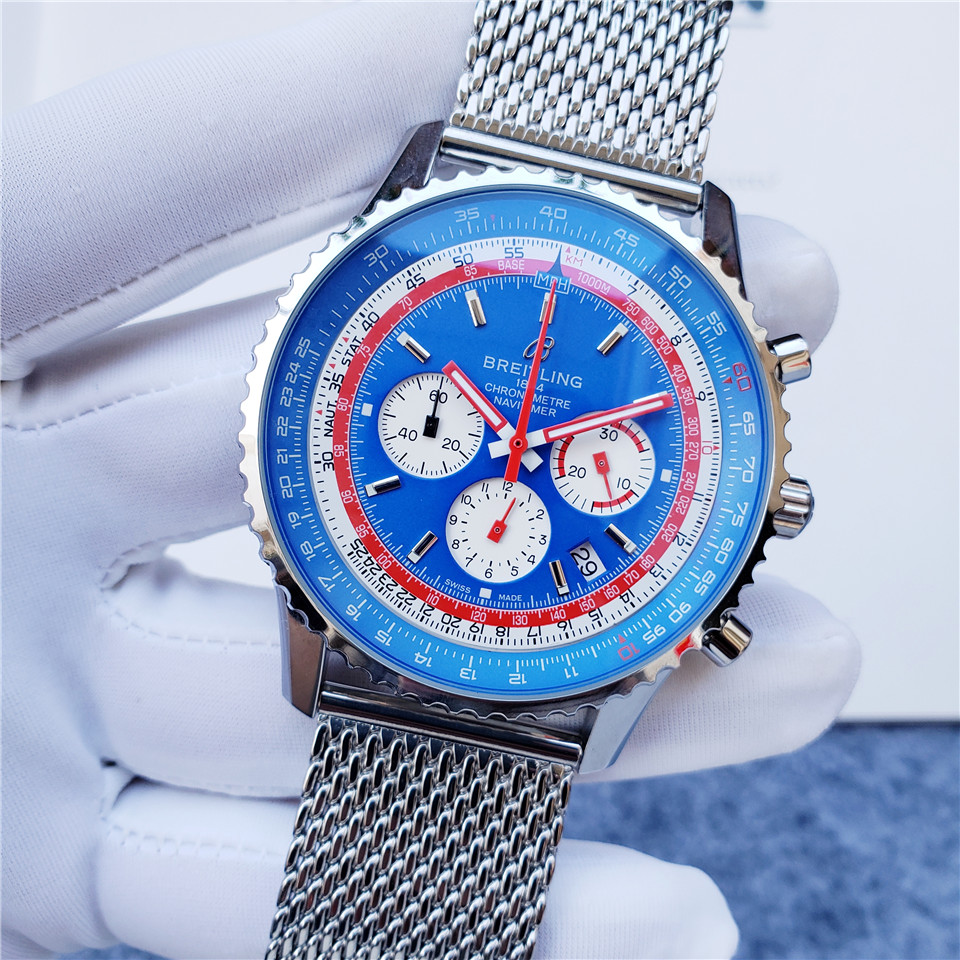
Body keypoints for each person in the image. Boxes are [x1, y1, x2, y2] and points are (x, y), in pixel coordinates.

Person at [1, 5, 859, 958]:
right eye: (507, 435)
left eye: (541, 446)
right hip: (418, 620)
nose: (519, 450)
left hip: (521, 645)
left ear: (769, 504)